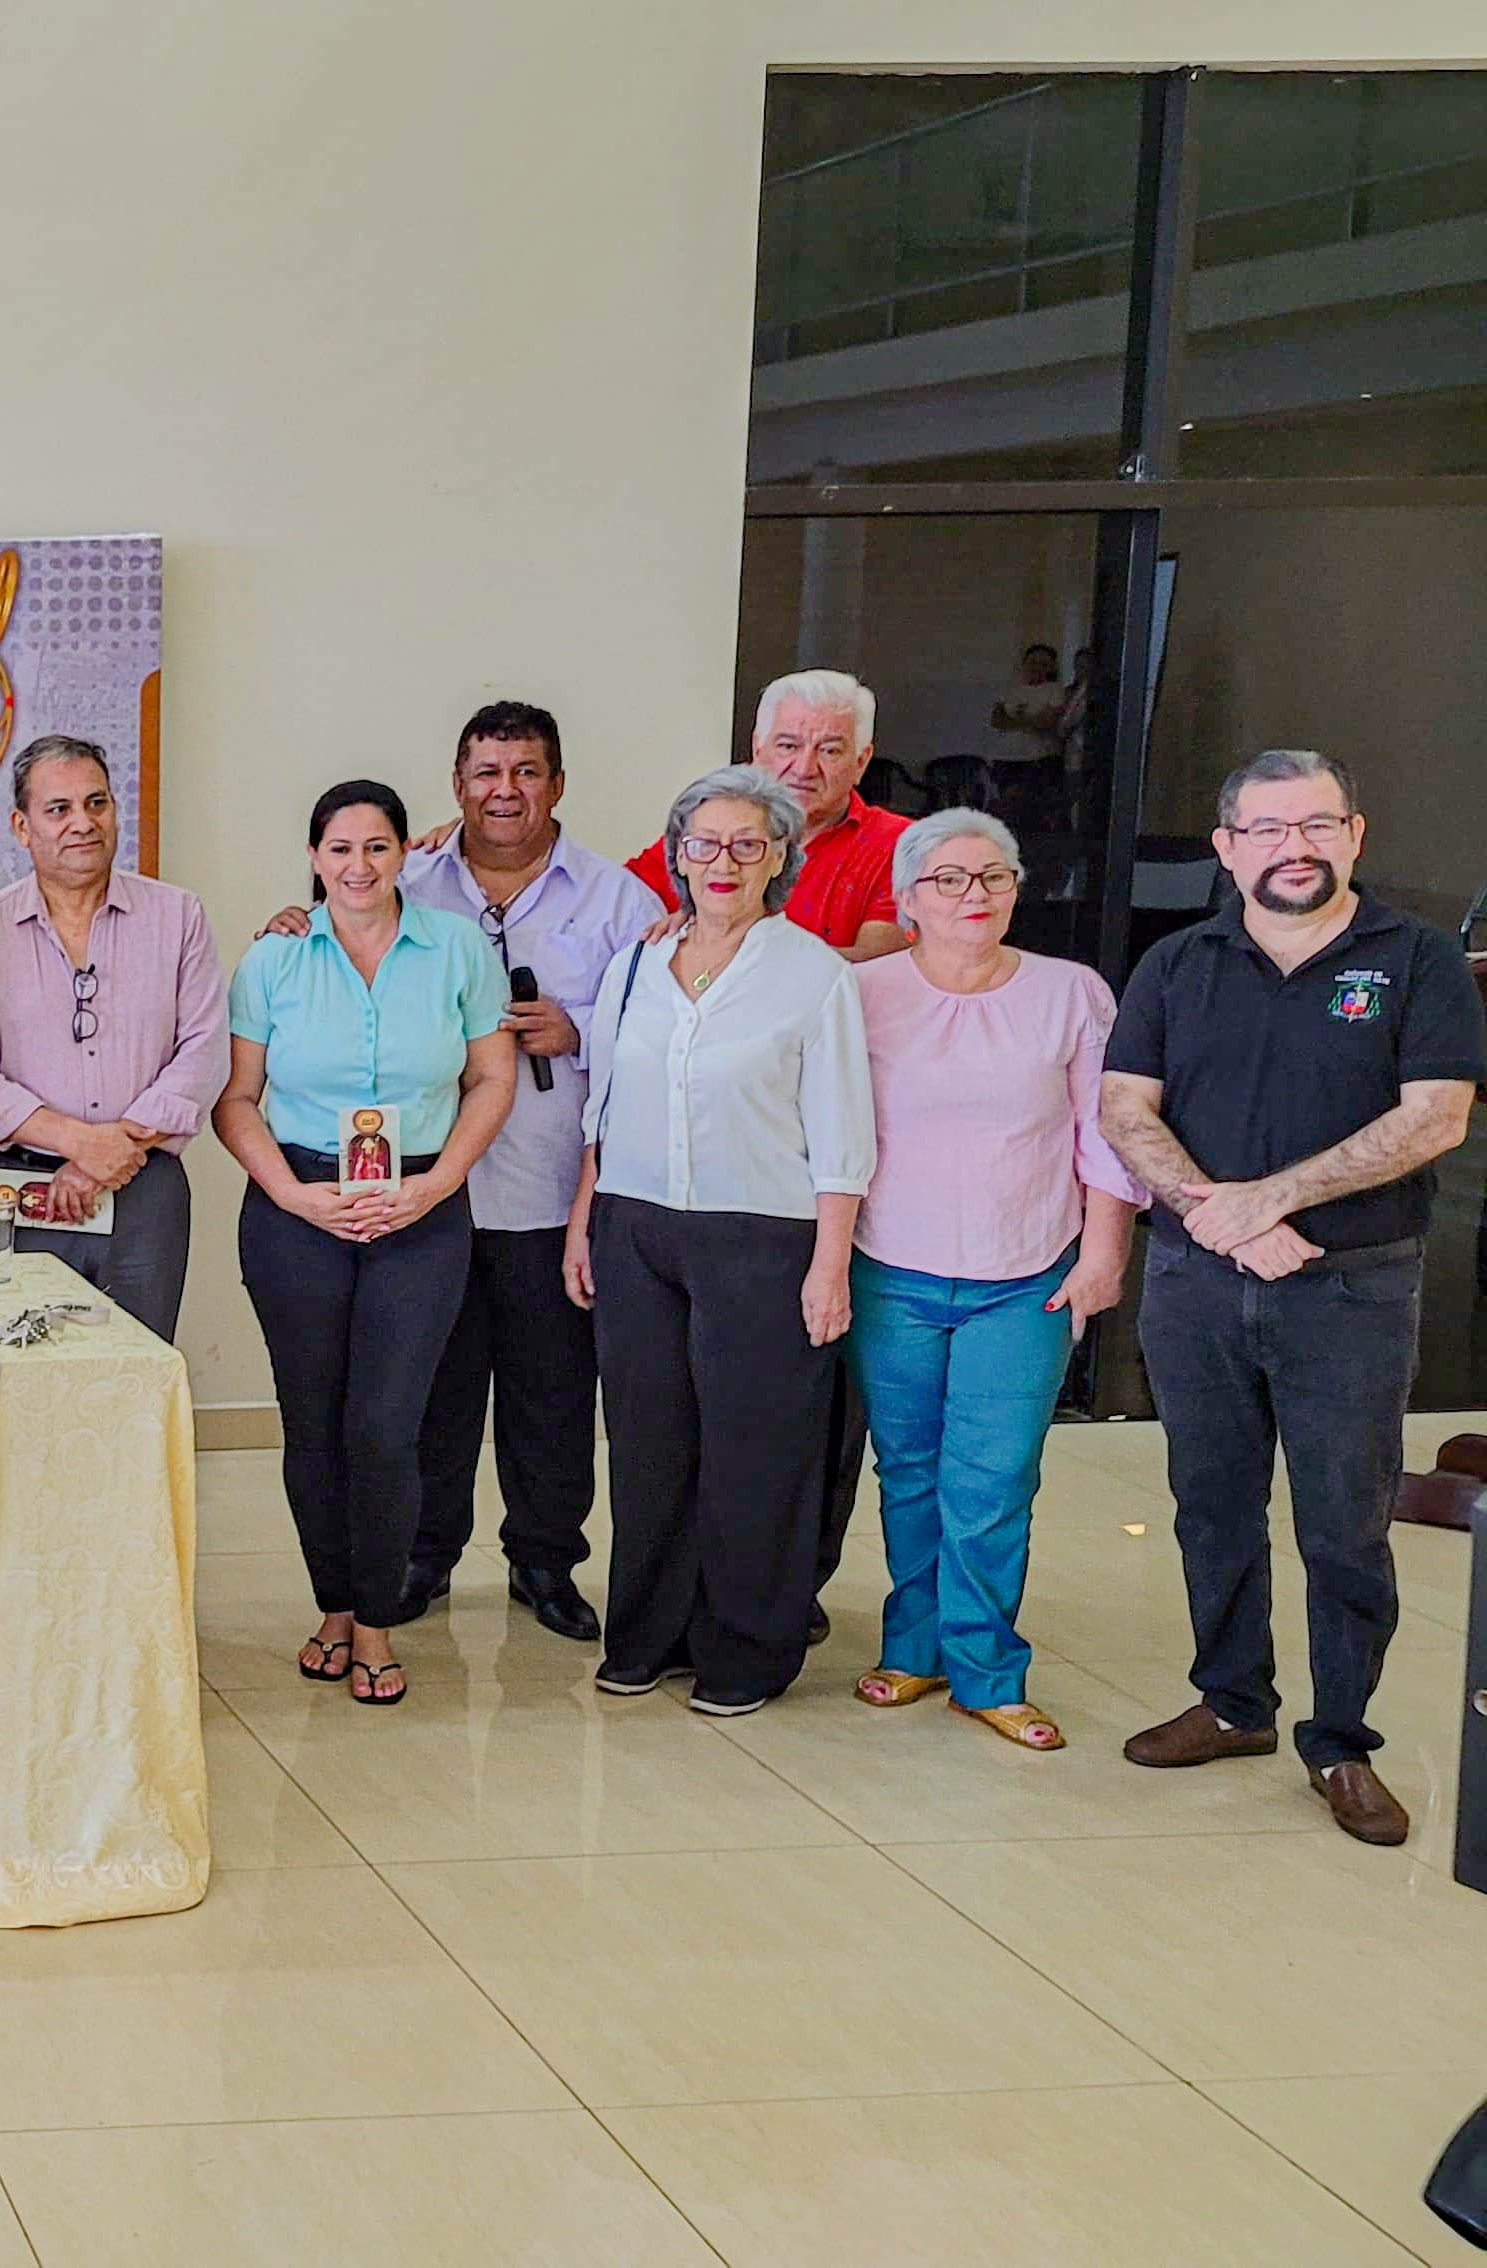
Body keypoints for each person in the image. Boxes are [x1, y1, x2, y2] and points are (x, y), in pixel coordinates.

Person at [1099, 748, 1482, 1845]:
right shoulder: (1178, 961)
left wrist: (1267, 1202)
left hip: (1351, 1290)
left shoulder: (1413, 958)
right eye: (1266, 829)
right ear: (1226, 848)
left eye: (1316, 825)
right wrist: (1215, 1212)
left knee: (1343, 1525)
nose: (1293, 848)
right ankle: (1232, 1703)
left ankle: (1342, 1741)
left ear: (1356, 834)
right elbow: (1126, 1107)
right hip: (1195, 1282)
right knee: (1210, 1503)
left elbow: (1436, 1118)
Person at [571, 766, 872, 1717]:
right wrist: (585, 1225)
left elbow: (843, 1134)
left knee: (756, 1450)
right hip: (634, 1227)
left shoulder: (814, 973)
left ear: (780, 856)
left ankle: (747, 1650)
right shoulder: (633, 964)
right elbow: (603, 1112)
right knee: (650, 1443)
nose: (724, 861)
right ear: (676, 855)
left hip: (765, 1235)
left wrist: (831, 1265)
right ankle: (649, 1636)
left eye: (750, 843)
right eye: (704, 843)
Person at [213, 780, 519, 1708]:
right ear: (314, 858)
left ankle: (380, 1621)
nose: (359, 867)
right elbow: (234, 1101)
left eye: (378, 848)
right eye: (340, 850)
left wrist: (436, 1185)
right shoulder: (272, 959)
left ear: (404, 856)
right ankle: (333, 1607)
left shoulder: (457, 948)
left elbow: (493, 1080)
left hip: (422, 1205)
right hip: (297, 1205)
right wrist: (296, 1198)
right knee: (313, 1425)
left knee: (387, 1427)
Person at [846, 809, 1140, 1750]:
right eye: (948, 879)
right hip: (891, 1268)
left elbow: (1108, 1136)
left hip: (1027, 1274)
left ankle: (987, 1667)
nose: (972, 895)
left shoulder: (1072, 994)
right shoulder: (858, 993)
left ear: (1018, 890)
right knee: (908, 1470)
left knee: (997, 1473)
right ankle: (915, 1646)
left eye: (993, 878)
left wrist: (1105, 1254)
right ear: (906, 900)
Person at [399, 702, 660, 1640]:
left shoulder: (620, 900)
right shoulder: (410, 881)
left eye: (525, 772)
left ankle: (545, 1563)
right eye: (486, 773)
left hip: (556, 1192)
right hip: (429, 1191)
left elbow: (667, 1034)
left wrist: (579, 1028)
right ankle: (423, 1556)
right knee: (435, 1386)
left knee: (552, 1393)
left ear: (557, 781)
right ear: (458, 782)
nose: (504, 791)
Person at [0, 735, 221, 1337]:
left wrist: (108, 1155)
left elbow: (203, 1051)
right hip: (16, 1186)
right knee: (17, 1372)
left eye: (97, 804)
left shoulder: (178, 915)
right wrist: (77, 1141)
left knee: (136, 1368)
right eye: (59, 810)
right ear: (23, 827)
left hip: (143, 1185)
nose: (83, 823)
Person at [629, 672, 911, 960]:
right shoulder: (710, 829)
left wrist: (714, 941)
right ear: (757, 749)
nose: (804, 769)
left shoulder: (901, 845)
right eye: (788, 746)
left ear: (861, 761)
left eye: (829, 750)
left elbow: (877, 965)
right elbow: (609, 909)